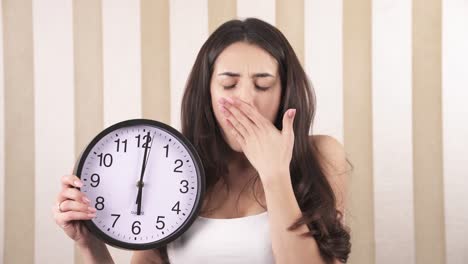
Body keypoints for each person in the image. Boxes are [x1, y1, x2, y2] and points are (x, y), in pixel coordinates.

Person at [53, 18, 351, 264]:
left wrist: (275, 175)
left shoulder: (321, 154)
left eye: (263, 84)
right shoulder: (175, 167)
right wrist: (90, 244)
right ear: (207, 93)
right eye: (228, 84)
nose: (245, 98)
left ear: (285, 92)